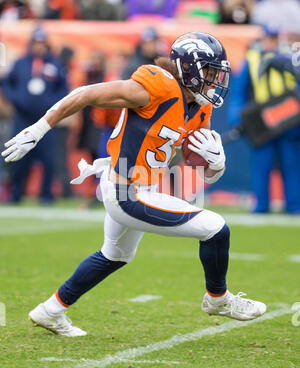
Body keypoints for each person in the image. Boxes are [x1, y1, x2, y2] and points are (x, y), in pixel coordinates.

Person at [2, 32, 266, 337]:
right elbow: (86, 93)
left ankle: (50, 311)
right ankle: (217, 299)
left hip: (142, 188)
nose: (214, 81)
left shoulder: (201, 107)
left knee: (114, 255)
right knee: (216, 227)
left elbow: (197, 167)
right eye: (209, 73)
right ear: (188, 70)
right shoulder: (156, 87)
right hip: (126, 190)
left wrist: (216, 165)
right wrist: (39, 128)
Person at [229, 26, 300, 213]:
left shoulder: (292, 57)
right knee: (262, 165)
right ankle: (261, 205)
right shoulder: (252, 59)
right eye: (269, 39)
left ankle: (294, 205)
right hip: (262, 121)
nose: (272, 43)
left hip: (289, 120)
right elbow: (239, 92)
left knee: (291, 164)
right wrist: (237, 118)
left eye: (275, 39)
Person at [1, 26, 69, 204]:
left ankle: (46, 195)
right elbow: (7, 83)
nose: (39, 46)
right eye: (36, 43)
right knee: (19, 157)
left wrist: (51, 103)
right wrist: (16, 99)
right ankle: (16, 194)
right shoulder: (21, 63)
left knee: (48, 159)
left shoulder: (55, 64)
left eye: (42, 43)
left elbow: (64, 89)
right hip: (22, 118)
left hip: (46, 120)